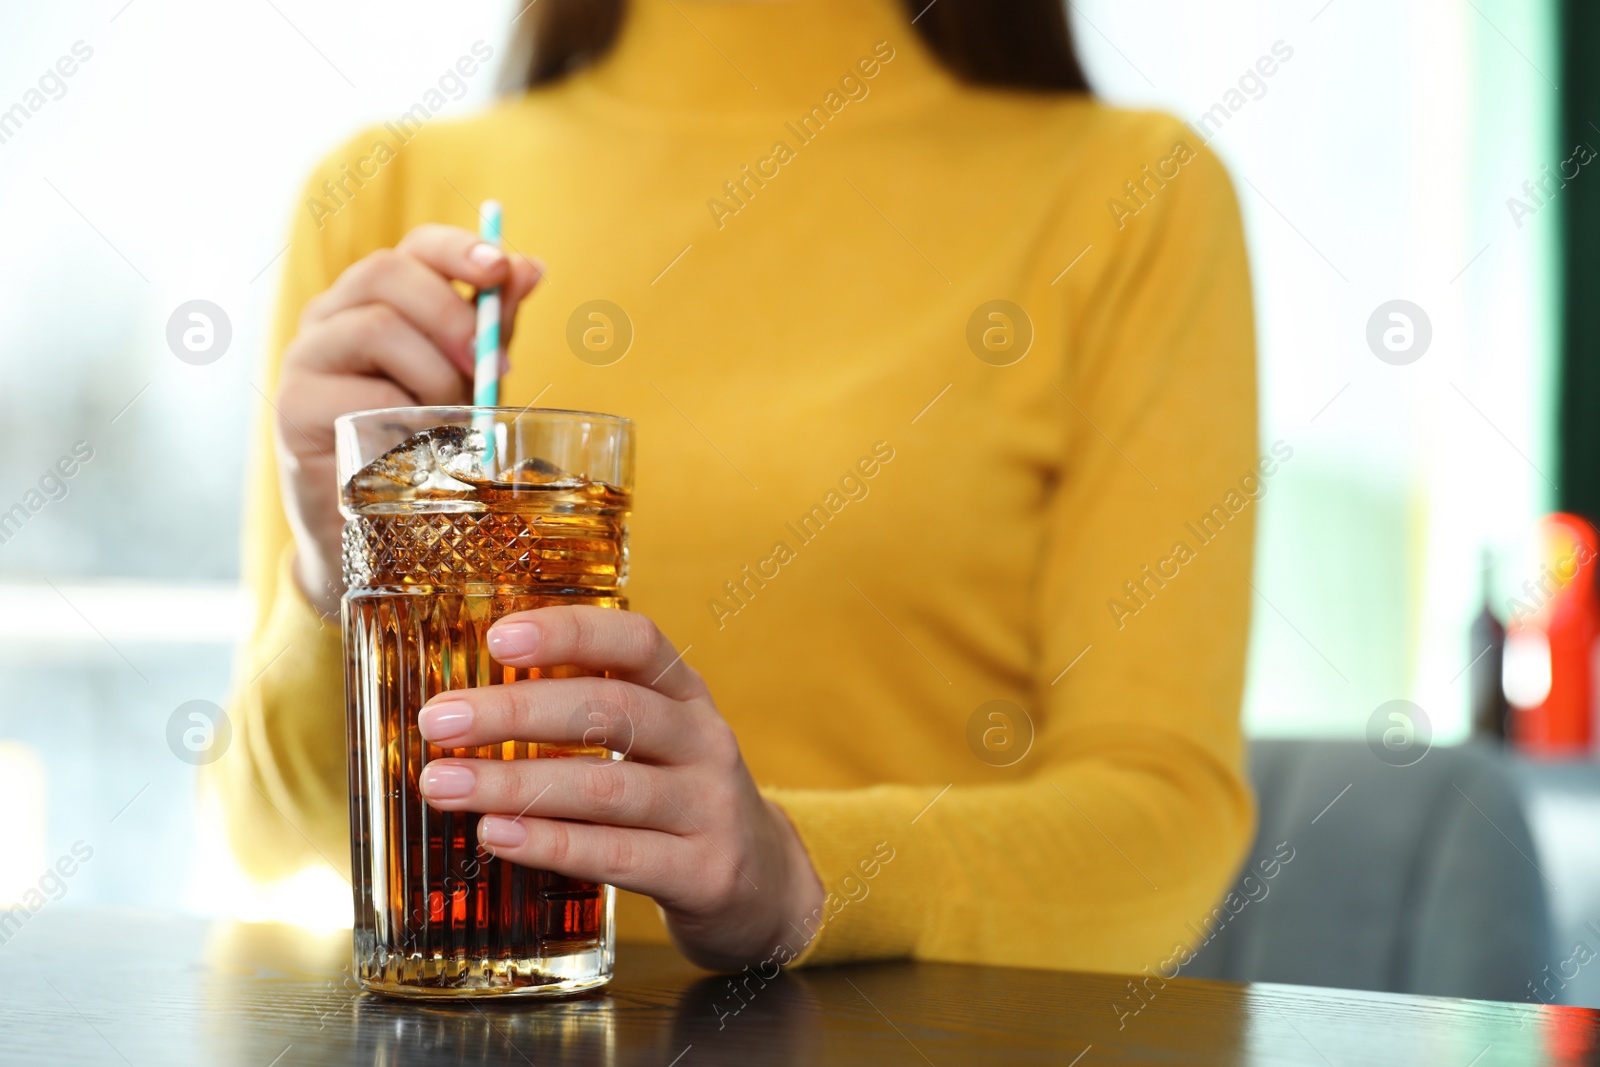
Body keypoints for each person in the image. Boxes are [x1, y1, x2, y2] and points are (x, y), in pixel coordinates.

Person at [210, 0, 1258, 974]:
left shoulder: (1132, 195)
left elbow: (1164, 822)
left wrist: (802, 871)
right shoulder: (387, 198)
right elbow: (276, 829)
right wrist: (334, 569)